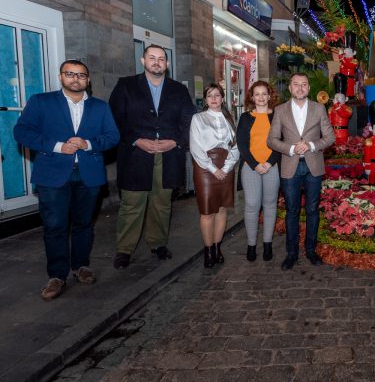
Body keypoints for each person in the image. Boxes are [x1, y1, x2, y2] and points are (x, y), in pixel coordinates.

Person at [14, 60, 119, 300]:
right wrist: (58, 146)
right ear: (61, 77)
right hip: (52, 175)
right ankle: (57, 275)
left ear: (88, 80)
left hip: (89, 174)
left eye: (81, 75)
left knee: (84, 224)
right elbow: (22, 132)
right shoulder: (42, 102)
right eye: (70, 74)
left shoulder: (100, 107)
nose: (75, 78)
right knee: (55, 226)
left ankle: (81, 266)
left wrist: (89, 144)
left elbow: (113, 136)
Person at [109, 44, 196, 269]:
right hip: (136, 154)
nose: (156, 62)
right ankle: (124, 249)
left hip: (168, 156)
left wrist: (176, 141)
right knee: (132, 203)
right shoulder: (125, 86)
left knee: (162, 203)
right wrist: (137, 140)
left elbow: (188, 120)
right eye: (152, 58)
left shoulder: (179, 90)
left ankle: (158, 243)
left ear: (167, 64)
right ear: (143, 60)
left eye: (161, 59)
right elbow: (115, 120)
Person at [267, 72, 335, 270]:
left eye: (303, 84)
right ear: (290, 88)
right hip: (290, 166)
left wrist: (312, 145)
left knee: (313, 210)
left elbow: (330, 137)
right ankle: (292, 254)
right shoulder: (280, 110)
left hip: (313, 165)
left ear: (309, 88)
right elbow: (271, 140)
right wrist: (290, 149)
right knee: (292, 211)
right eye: (296, 84)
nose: (300, 88)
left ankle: (311, 250)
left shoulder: (319, 108)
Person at [190, 84, 239, 268]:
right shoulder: (198, 118)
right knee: (207, 211)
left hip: (227, 166)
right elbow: (195, 147)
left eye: (217, 95)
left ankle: (218, 248)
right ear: (205, 98)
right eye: (210, 95)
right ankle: (208, 250)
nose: (213, 99)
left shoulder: (229, 118)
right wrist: (213, 169)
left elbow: (235, 146)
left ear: (222, 98)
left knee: (222, 209)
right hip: (205, 168)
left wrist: (226, 168)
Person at [236, 81, 281, 262]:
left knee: (270, 205)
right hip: (250, 167)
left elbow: (280, 142)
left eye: (264, 93)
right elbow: (242, 144)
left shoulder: (277, 116)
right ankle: (252, 244)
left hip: (272, 166)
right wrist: (255, 164)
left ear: (270, 96)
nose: (261, 97)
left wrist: (269, 163)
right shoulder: (246, 117)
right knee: (252, 205)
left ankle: (268, 244)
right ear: (252, 97)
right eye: (257, 94)